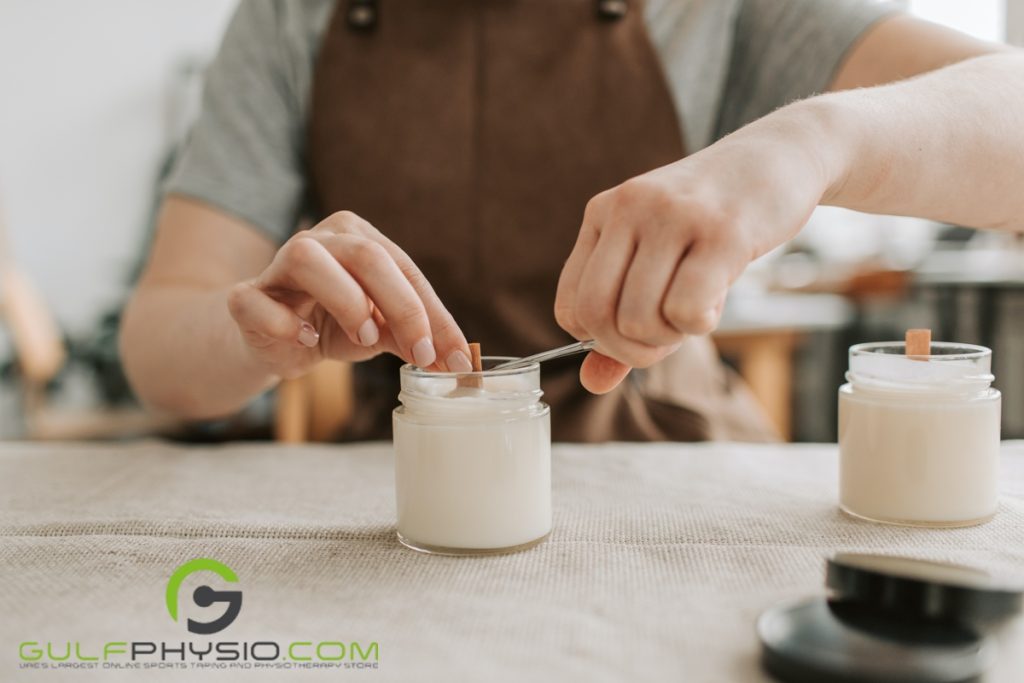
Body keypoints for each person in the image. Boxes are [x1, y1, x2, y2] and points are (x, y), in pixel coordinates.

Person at [120, 0, 1024, 442]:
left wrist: (818, 138)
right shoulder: (291, 19)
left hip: (679, 471)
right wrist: (255, 338)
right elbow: (160, 346)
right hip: (404, 487)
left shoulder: (715, 9)